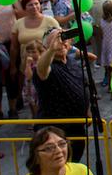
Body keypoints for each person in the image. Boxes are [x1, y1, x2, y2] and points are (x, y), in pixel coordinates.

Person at [34, 30, 90, 161]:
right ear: (46, 47)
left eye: (64, 39)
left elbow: (84, 86)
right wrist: (52, 50)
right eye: (56, 40)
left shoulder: (72, 62)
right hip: (55, 131)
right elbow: (42, 70)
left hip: (77, 127)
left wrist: (87, 109)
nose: (61, 42)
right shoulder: (48, 65)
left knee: (74, 165)